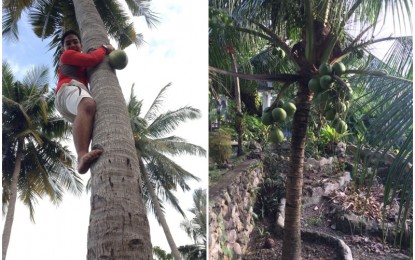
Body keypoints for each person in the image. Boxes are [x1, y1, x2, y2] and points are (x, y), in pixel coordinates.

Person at [55, 30, 114, 174]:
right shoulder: (67, 56)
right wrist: (105, 48)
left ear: (81, 45)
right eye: (68, 43)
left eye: (75, 41)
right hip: (67, 90)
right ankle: (81, 156)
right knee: (88, 105)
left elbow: (91, 63)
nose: (72, 44)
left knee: (90, 114)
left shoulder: (81, 66)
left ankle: (83, 154)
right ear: (64, 48)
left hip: (72, 101)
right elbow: (92, 59)